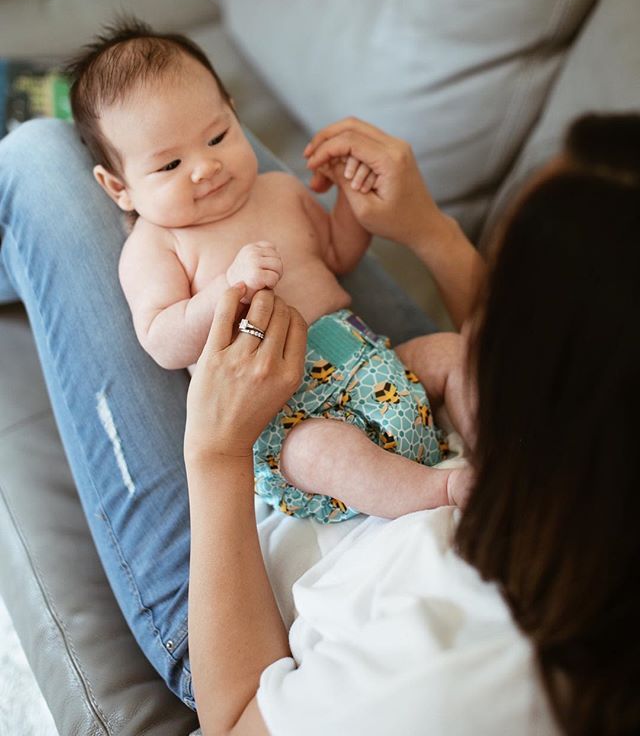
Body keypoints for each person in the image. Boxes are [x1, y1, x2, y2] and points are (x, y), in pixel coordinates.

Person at [1, 106, 637, 734]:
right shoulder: (594, 466)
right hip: (406, 402)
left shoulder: (443, 683)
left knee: (38, 158)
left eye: (500, 278)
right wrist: (429, 231)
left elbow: (237, 721)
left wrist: (217, 451)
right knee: (208, 157)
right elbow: (508, 361)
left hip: (263, 558)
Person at [65, 19, 472, 524]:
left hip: (374, 363)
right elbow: (162, 339)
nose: (205, 167)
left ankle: (497, 448)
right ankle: (439, 491)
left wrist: (350, 199)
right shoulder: (155, 244)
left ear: (235, 114)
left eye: (217, 137)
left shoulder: (279, 190)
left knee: (452, 352)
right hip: (287, 418)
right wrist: (226, 287)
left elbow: (338, 256)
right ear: (118, 187)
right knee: (323, 454)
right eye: (169, 166)